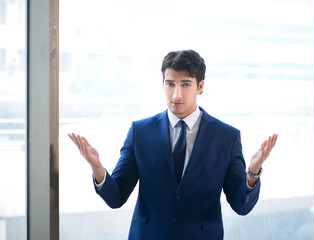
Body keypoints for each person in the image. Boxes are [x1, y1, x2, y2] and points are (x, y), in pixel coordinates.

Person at [69, 49, 278, 240]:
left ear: (200, 86)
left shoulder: (227, 136)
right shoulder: (140, 132)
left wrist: (252, 172)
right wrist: (98, 170)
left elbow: (241, 205)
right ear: (162, 84)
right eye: (170, 84)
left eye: (185, 84)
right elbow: (116, 198)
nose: (176, 94)